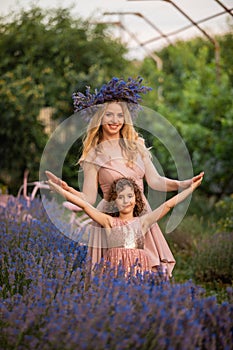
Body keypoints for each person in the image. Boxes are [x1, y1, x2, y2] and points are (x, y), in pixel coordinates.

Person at [46, 76, 204, 278]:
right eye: (109, 115)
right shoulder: (93, 154)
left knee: (147, 271)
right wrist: (66, 189)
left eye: (119, 115)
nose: (115, 120)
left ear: (125, 117)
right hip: (111, 217)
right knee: (113, 273)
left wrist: (184, 183)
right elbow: (87, 199)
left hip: (140, 212)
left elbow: (155, 181)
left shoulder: (136, 145)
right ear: (100, 118)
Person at [47, 174, 203, 277]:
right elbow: (85, 206)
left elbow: (168, 205)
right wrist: (61, 190)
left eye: (130, 196)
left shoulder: (142, 222)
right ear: (114, 202)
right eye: (120, 197)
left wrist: (190, 188)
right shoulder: (108, 221)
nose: (126, 200)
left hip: (138, 270)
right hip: (114, 271)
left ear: (136, 198)